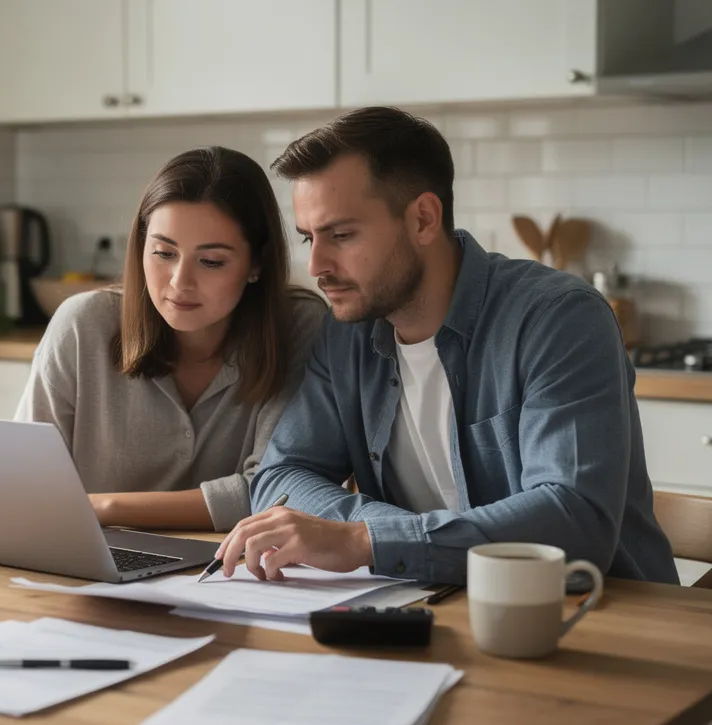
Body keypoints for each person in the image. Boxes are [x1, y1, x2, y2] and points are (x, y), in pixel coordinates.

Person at [215, 107, 677, 585]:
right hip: (432, 606)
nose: (316, 266)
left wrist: (362, 540)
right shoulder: (347, 332)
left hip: (594, 618)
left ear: (423, 219)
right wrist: (374, 537)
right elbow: (282, 476)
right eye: (309, 237)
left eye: (342, 235)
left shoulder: (559, 319)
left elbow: (574, 520)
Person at [15, 146, 326, 533]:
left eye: (211, 261)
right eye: (163, 252)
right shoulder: (83, 325)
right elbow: (26, 482)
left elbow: (276, 492)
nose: (179, 282)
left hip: (233, 573)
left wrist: (105, 507)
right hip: (83, 564)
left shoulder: (298, 327)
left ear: (256, 264)